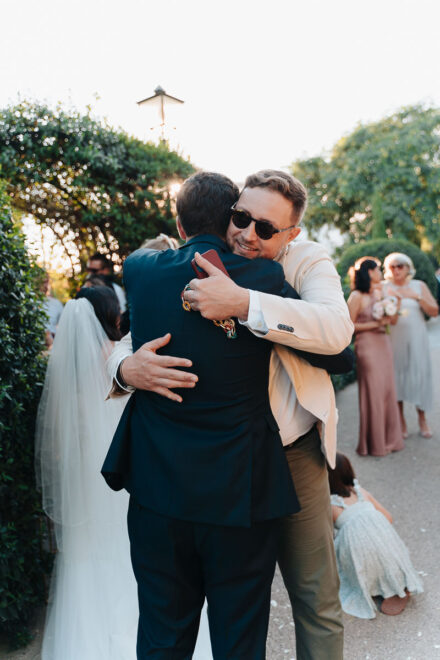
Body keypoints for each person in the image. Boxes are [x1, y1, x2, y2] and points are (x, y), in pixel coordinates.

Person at [102, 171, 353, 660]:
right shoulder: (202, 259)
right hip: (226, 465)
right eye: (240, 218)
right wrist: (126, 368)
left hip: (292, 448)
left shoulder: (304, 261)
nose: (247, 235)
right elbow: (135, 336)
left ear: (290, 235)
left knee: (314, 595)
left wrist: (244, 303)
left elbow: (336, 334)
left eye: (265, 228)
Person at [35, 286, 137, 660]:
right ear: (111, 316)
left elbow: (59, 445)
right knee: (124, 561)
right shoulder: (120, 359)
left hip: (82, 487)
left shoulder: (63, 369)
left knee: (82, 563)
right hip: (121, 483)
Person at [328, 452, 423, 619]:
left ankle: (373, 586)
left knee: (342, 548)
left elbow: (327, 537)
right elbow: (389, 518)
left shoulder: (329, 504)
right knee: (385, 547)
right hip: (388, 550)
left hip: (361, 555)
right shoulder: (361, 492)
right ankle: (397, 581)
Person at [347, 256, 404, 456]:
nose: (381, 273)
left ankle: (390, 440)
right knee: (373, 392)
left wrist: (395, 305)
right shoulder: (356, 296)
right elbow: (348, 326)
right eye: (378, 269)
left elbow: (393, 321)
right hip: (367, 347)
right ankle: (373, 444)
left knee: (388, 390)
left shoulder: (385, 292)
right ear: (370, 272)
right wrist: (375, 324)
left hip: (384, 344)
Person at [383, 252, 439, 438]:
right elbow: (383, 317)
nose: (396, 269)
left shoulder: (419, 286)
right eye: (392, 266)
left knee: (419, 375)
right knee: (397, 378)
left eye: (400, 265)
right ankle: (401, 422)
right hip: (394, 341)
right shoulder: (384, 288)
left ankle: (422, 420)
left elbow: (434, 311)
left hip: (417, 339)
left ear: (408, 267)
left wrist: (416, 297)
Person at [41, 272, 63, 348]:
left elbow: (64, 328)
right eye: (42, 282)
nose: (45, 286)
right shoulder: (26, 303)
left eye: (46, 282)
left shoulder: (57, 304)